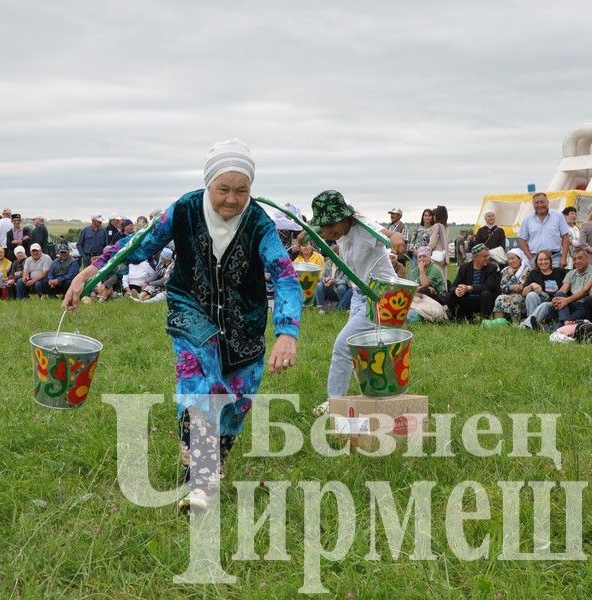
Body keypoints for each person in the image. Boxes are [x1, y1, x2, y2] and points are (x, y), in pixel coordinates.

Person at [62, 138, 301, 515]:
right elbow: (139, 244)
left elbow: (284, 276)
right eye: (224, 189)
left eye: (242, 190)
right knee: (199, 388)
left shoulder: (259, 223)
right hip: (191, 309)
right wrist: (93, 272)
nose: (232, 199)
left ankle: (212, 464)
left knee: (234, 402)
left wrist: (287, 331)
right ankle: (200, 484)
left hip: (244, 322)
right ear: (209, 184)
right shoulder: (185, 209)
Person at [308, 190, 405, 398]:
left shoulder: (364, 228)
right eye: (324, 227)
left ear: (345, 219)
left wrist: (396, 236)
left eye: (331, 225)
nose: (327, 231)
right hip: (359, 296)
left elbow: (387, 234)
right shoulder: (340, 232)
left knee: (343, 347)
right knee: (362, 351)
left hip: (382, 298)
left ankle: (335, 404)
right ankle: (371, 396)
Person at [446, 243, 499, 320]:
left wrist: (469, 288)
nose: (488, 258)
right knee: (449, 296)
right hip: (468, 300)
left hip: (483, 301)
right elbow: (453, 287)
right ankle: (461, 318)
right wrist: (457, 290)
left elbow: (488, 286)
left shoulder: (492, 267)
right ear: (475, 257)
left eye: (488, 255)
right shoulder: (464, 267)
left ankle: (484, 319)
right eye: (485, 256)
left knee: (486, 294)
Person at [517, 192, 571, 268]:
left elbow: (565, 237)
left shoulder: (558, 216)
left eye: (542, 202)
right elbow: (522, 240)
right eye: (536, 203)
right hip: (536, 259)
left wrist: (564, 258)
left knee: (555, 280)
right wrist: (531, 259)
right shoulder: (527, 219)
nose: (540, 205)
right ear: (533, 205)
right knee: (537, 280)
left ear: (547, 202)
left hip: (555, 258)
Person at [551, 248, 592, 324]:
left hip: (584, 305)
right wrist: (556, 299)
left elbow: (585, 290)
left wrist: (566, 300)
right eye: (574, 259)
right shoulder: (571, 273)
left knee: (568, 320)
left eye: (580, 258)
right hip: (570, 304)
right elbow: (563, 290)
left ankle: (561, 323)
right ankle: (566, 322)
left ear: (587, 258)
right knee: (559, 294)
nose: (577, 261)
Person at [520, 249, 566, 329]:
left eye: (546, 259)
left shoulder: (559, 272)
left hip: (554, 303)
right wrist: (531, 285)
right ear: (537, 262)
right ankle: (532, 324)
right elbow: (523, 293)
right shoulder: (533, 273)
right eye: (540, 260)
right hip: (538, 301)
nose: (543, 262)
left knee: (544, 305)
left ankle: (526, 325)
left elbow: (565, 290)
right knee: (531, 295)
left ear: (550, 261)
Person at [492, 248, 530, 323]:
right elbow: (502, 287)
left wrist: (512, 275)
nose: (510, 261)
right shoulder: (506, 270)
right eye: (509, 259)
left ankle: (516, 324)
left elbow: (520, 287)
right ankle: (498, 323)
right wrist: (511, 287)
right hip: (507, 295)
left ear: (520, 259)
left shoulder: (527, 270)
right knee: (499, 298)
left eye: (513, 258)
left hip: (522, 296)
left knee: (515, 298)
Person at [314, 246, 348, 311]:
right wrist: (325, 279)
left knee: (341, 287)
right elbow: (322, 276)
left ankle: (341, 307)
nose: (332, 257)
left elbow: (345, 281)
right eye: (331, 255)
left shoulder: (345, 264)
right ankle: (320, 307)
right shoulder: (329, 262)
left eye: (335, 255)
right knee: (319, 285)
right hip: (329, 288)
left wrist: (333, 281)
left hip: (339, 289)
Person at [427, 205, 450, 281]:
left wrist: (426, 250)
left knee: (434, 278)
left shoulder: (437, 226)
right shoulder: (446, 227)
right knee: (443, 278)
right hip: (444, 257)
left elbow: (432, 243)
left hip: (436, 256)